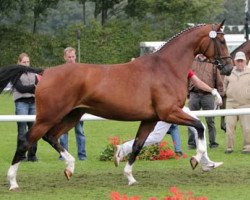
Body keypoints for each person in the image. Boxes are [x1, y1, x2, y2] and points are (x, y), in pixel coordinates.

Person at [114, 69, 223, 172]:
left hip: (176, 108)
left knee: (159, 136)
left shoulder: (184, 68)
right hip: (169, 109)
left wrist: (213, 91)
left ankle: (205, 162)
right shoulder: (168, 68)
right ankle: (205, 162)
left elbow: (198, 82)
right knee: (199, 127)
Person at [188, 54, 224, 149]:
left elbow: (218, 80)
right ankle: (192, 143)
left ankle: (213, 143)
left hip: (208, 95)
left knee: (210, 120)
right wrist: (187, 92)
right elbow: (187, 77)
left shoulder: (212, 63)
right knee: (191, 119)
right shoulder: (192, 62)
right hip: (194, 94)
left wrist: (220, 94)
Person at [59, 47, 86, 160]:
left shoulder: (82, 71)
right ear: (65, 57)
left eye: (73, 56)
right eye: (69, 57)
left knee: (79, 131)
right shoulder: (60, 71)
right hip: (65, 106)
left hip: (78, 105)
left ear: (76, 56)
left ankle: (82, 156)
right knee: (63, 131)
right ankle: (63, 155)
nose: (71, 59)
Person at [13, 53, 40, 162]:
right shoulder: (15, 73)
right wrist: (34, 87)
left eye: (27, 62)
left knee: (34, 130)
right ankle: (21, 156)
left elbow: (39, 87)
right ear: (19, 62)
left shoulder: (34, 73)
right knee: (22, 130)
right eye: (24, 62)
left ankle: (32, 156)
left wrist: (34, 88)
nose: (26, 64)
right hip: (21, 104)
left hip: (33, 103)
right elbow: (20, 88)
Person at [224, 51, 250, 154]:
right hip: (231, 104)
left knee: (247, 128)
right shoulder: (229, 72)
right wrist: (228, 93)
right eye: (238, 61)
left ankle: (247, 147)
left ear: (245, 61)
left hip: (246, 104)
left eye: (241, 61)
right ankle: (229, 148)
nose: (240, 63)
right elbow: (224, 85)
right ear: (234, 61)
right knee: (229, 127)